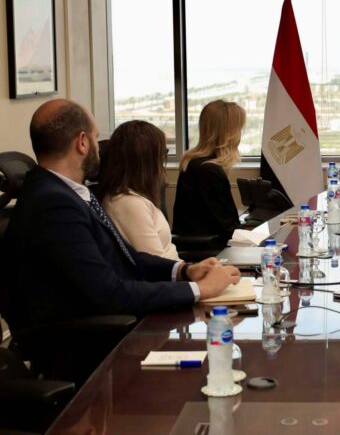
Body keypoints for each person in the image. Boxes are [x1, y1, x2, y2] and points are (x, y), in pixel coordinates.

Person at [0, 99, 239, 336]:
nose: (99, 148)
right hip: (85, 341)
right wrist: (200, 289)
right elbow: (109, 294)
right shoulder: (54, 205)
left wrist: (184, 270)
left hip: (108, 322)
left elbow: (128, 257)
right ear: (82, 143)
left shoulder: (68, 192)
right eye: (95, 138)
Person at [99, 120, 179, 260]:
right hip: (172, 272)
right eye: (162, 154)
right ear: (146, 160)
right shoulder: (128, 204)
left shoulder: (136, 197)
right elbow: (156, 264)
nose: (162, 162)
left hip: (179, 270)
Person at [173, 99, 246, 247]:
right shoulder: (209, 171)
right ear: (229, 133)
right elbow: (227, 229)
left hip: (199, 245)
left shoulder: (193, 162)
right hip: (209, 251)